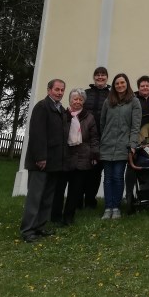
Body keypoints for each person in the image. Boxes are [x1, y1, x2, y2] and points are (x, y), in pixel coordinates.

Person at [20, 79, 68, 243]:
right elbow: (37, 134)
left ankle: (39, 226)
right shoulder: (42, 107)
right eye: (56, 89)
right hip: (40, 162)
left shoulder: (61, 110)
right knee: (35, 197)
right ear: (49, 90)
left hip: (54, 163)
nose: (59, 92)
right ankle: (28, 230)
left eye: (62, 90)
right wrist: (40, 157)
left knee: (47, 198)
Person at [51, 88, 99, 227]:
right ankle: (55, 216)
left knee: (75, 191)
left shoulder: (89, 117)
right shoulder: (63, 115)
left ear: (83, 102)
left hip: (81, 158)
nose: (77, 102)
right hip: (64, 157)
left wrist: (94, 154)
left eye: (80, 99)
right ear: (70, 100)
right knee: (59, 190)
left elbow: (94, 138)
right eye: (75, 99)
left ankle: (69, 217)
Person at [99, 73, 142, 220]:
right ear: (114, 85)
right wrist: (104, 138)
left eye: (122, 83)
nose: (120, 85)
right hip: (107, 145)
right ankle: (108, 207)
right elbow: (102, 123)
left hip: (123, 146)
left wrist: (132, 144)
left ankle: (116, 207)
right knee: (107, 178)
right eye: (117, 83)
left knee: (118, 177)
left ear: (127, 84)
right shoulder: (108, 101)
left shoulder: (134, 102)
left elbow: (136, 126)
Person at [81, 66, 110, 208]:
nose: (100, 77)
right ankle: (78, 199)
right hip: (84, 137)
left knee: (96, 170)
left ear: (107, 78)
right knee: (82, 169)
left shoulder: (111, 95)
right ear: (94, 77)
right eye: (97, 75)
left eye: (103, 75)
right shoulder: (86, 93)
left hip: (102, 138)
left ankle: (90, 200)